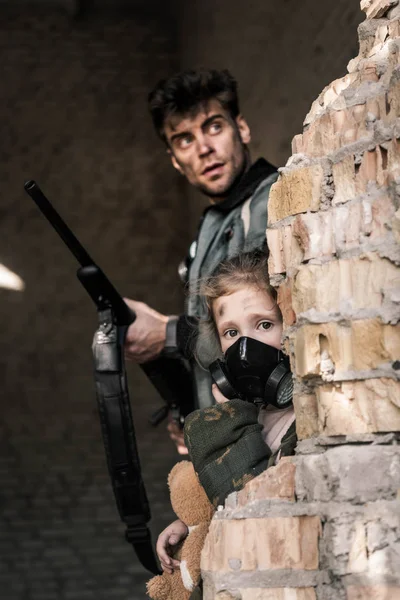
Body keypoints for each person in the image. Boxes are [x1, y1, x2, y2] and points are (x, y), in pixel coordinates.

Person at [123, 69, 279, 453]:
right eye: (184, 139)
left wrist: (168, 334)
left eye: (213, 127)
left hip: (275, 438)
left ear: (241, 129)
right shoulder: (212, 224)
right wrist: (196, 415)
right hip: (234, 443)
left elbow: (271, 322)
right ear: (175, 160)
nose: (203, 148)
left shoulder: (276, 199)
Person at [157, 251, 297, 577]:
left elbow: (255, 507)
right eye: (231, 333)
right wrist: (191, 524)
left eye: (264, 325)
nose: (245, 347)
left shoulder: (308, 424)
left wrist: (229, 420)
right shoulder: (245, 415)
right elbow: (224, 500)